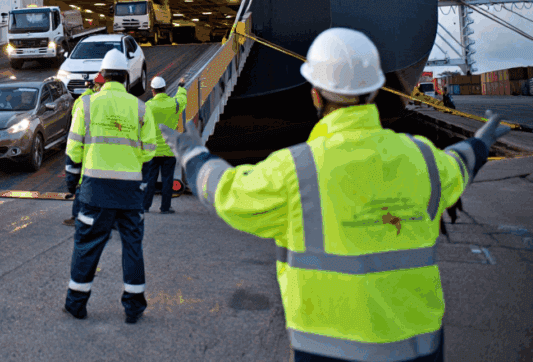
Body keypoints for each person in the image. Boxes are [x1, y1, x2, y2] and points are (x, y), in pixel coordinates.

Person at [159, 27, 511, 362]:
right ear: (374, 92)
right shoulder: (423, 158)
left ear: (315, 93)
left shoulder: (295, 169)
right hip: (420, 347)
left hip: (326, 350)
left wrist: (192, 155)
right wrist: (479, 143)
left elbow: (225, 192)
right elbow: (458, 167)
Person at [64, 50, 155, 324]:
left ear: (102, 77)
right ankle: (134, 307)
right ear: (127, 77)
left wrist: (72, 182)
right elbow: (149, 152)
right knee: (132, 247)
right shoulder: (140, 108)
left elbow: (74, 149)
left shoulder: (87, 105)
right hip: (130, 193)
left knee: (87, 245)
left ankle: (76, 304)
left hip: (95, 191)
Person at [141, 75, 187, 214]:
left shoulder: (148, 106)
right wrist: (181, 87)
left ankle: (145, 206)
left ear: (153, 90)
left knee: (150, 179)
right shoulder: (174, 104)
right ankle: (165, 207)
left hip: (153, 150)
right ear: (165, 89)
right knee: (168, 179)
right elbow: (182, 100)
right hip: (169, 149)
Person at [63, 74, 105, 227]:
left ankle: (78, 216)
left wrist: (75, 157)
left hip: (85, 149)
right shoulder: (93, 101)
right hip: (95, 152)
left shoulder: (83, 101)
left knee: (82, 185)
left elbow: (76, 129)